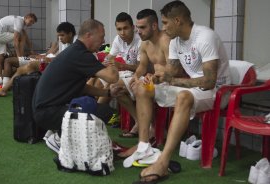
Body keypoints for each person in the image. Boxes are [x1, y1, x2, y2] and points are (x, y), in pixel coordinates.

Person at [129, 1, 231, 183]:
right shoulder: (175, 41)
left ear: (177, 21)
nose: (163, 27)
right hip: (191, 87)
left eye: (166, 23)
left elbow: (209, 81)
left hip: (218, 91)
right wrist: (156, 77)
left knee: (184, 96)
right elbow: (173, 71)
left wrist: (172, 80)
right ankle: (144, 146)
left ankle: (162, 163)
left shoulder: (205, 37)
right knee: (143, 88)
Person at [32, 19, 124, 153]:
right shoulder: (81, 54)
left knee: (99, 108)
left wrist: (107, 93)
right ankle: (59, 138)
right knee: (103, 113)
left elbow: (80, 87)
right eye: (102, 36)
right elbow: (113, 77)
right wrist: (113, 61)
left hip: (45, 109)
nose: (103, 41)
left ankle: (58, 130)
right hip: (48, 112)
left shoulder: (75, 51)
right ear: (88, 35)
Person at [114, 9, 173, 141]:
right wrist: (136, 76)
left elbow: (173, 69)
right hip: (154, 79)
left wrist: (154, 77)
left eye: (142, 27)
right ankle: (143, 124)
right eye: (138, 27)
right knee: (117, 89)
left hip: (168, 81)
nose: (138, 31)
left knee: (140, 88)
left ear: (154, 26)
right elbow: (142, 66)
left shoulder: (166, 41)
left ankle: (151, 130)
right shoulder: (145, 42)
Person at [0, 22, 76, 97]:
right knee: (20, 68)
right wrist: (42, 56)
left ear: (70, 34)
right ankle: (4, 87)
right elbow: (57, 57)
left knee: (23, 65)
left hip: (60, 68)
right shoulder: (65, 43)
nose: (60, 38)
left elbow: (60, 59)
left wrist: (45, 58)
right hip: (54, 64)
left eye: (62, 35)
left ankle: (4, 87)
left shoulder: (75, 44)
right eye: (59, 36)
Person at [99, 12, 141, 137]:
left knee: (113, 86)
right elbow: (109, 57)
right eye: (119, 29)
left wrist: (121, 65)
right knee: (97, 81)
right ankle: (98, 115)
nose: (122, 32)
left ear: (133, 27)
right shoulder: (118, 39)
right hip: (126, 73)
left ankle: (95, 115)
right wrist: (103, 65)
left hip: (141, 74)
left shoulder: (140, 40)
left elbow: (141, 68)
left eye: (125, 28)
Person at [0, 13, 37, 88]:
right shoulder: (19, 21)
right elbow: (15, 40)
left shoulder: (23, 23)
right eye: (30, 21)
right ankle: (20, 59)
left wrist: (31, 50)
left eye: (33, 23)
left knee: (0, 57)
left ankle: (0, 79)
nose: (31, 24)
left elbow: (26, 38)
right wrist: (19, 57)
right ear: (26, 17)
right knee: (20, 37)